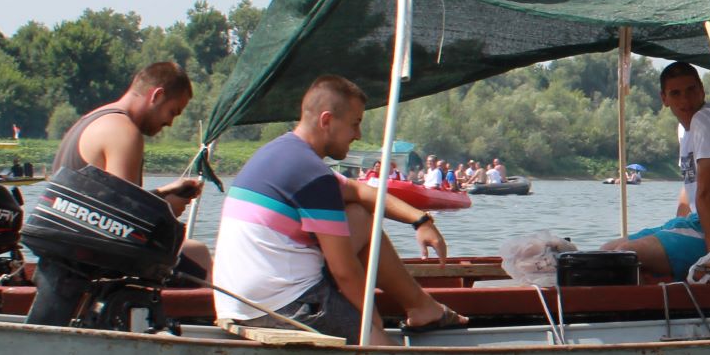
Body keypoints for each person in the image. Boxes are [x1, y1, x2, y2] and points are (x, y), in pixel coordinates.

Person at [213, 75, 466, 338]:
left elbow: (359, 191)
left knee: (359, 216)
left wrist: (420, 220)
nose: (358, 135)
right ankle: (406, 320)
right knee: (379, 346)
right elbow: (344, 271)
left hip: (237, 302)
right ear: (326, 121)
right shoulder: (312, 175)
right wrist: (372, 321)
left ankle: (421, 307)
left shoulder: (282, 152)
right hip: (279, 306)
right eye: (354, 124)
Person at [602, 62, 710, 277]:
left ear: (702, 90)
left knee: (625, 253)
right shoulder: (684, 130)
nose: (685, 100)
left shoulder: (707, 120)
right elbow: (689, 189)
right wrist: (673, 234)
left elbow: (706, 193)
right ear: (664, 99)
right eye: (676, 93)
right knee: (608, 250)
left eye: (691, 90)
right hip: (699, 224)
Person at [53, 60, 210, 277]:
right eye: (173, 112)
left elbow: (107, 200)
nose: (170, 123)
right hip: (91, 266)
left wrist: (164, 192)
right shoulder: (124, 132)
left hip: (64, 256)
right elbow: (125, 220)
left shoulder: (92, 119)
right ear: (157, 95)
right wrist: (166, 209)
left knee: (192, 251)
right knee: (199, 254)